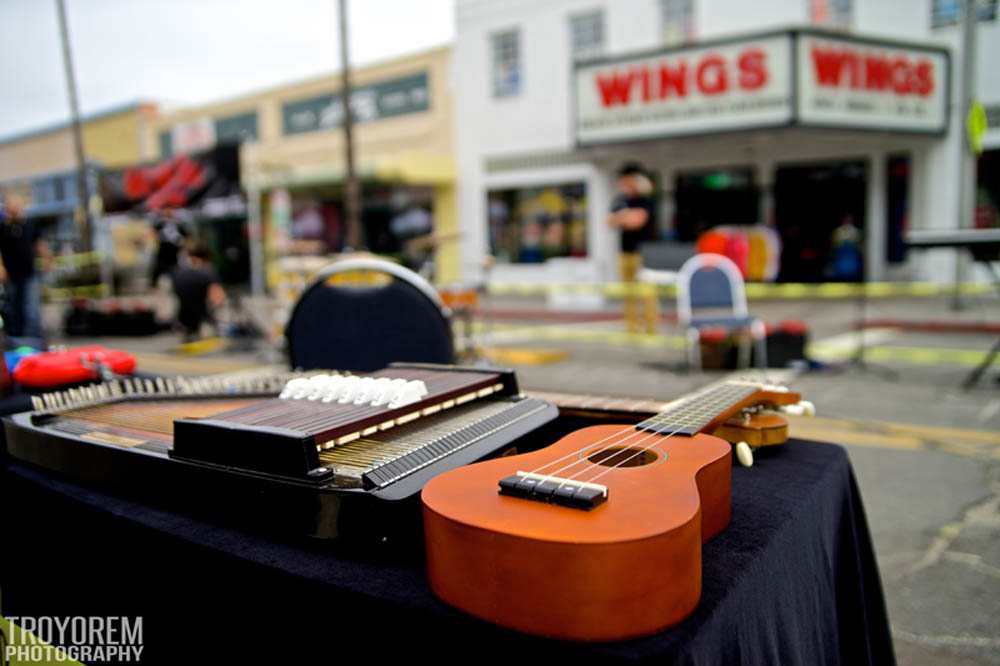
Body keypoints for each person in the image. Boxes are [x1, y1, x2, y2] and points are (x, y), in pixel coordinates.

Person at [607, 162, 658, 334]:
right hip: (625, 252)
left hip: (643, 252)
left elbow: (637, 222)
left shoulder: (645, 200)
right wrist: (625, 217)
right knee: (628, 292)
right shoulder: (621, 200)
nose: (623, 185)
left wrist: (621, 217)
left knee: (646, 292)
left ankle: (650, 328)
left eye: (627, 181)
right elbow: (609, 221)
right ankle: (631, 327)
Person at [0, 192, 49, 339]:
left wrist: (47, 259)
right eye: (10, 206)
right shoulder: (2, 228)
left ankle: (33, 339)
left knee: (31, 308)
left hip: (29, 273)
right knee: (13, 306)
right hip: (11, 274)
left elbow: (39, 244)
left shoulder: (30, 225)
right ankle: (15, 338)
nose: (13, 208)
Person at [171, 243, 225, 341]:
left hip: (182, 321)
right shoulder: (208, 273)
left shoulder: (177, 272)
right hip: (204, 322)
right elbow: (218, 299)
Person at [150, 209, 188, 288]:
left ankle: (177, 282)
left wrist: (182, 242)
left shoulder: (178, 223)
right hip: (163, 247)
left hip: (174, 248)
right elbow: (153, 231)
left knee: (175, 266)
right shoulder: (161, 222)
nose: (168, 212)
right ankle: (153, 284)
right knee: (158, 265)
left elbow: (186, 234)